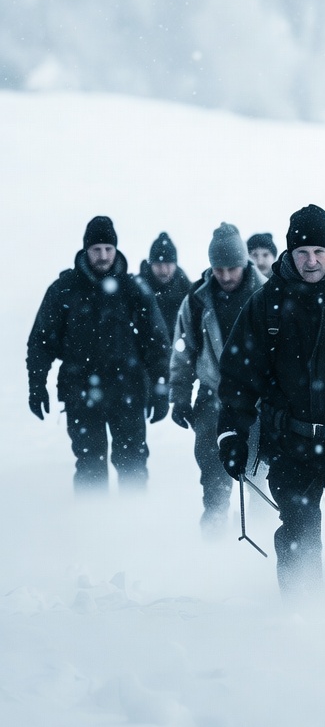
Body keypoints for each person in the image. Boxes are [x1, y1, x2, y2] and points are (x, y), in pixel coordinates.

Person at [217, 206, 325, 599]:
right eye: (302, 252)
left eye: (319, 251)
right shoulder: (265, 303)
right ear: (289, 253)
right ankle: (300, 615)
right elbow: (239, 376)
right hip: (290, 445)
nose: (311, 261)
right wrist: (231, 434)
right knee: (298, 536)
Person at [27, 216, 171, 492]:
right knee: (90, 466)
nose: (103, 256)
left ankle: (134, 517)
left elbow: (157, 343)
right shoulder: (64, 290)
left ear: (116, 249)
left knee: (132, 464)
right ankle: (92, 519)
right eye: (96, 249)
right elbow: (41, 342)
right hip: (80, 393)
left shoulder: (133, 289)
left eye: (108, 248)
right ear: (86, 250)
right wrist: (37, 385)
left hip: (128, 391)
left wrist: (160, 386)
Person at [170, 223, 266, 539]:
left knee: (261, 476)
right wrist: (179, 395)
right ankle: (214, 543)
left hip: (259, 402)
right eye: (218, 268)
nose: (225, 275)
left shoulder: (267, 295)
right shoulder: (197, 300)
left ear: (244, 263)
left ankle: (263, 538)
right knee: (214, 479)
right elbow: (183, 350)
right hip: (212, 398)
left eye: (232, 268)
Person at [137, 231, 191, 341]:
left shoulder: (188, 292)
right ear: (151, 264)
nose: (164, 270)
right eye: (158, 265)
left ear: (175, 264)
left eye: (168, 264)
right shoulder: (136, 290)